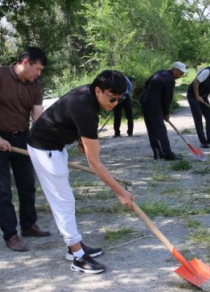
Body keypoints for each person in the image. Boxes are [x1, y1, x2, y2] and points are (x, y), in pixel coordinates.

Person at [27, 70, 135, 274]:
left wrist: (78, 139)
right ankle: (77, 257)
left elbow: (66, 117)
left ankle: (73, 247)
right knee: (63, 202)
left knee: (66, 200)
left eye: (120, 99)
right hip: (45, 150)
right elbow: (94, 162)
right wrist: (121, 192)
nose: (115, 103)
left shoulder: (88, 95)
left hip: (55, 146)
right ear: (98, 91)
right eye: (113, 98)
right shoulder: (85, 108)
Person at [0, 46, 51, 252]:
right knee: (3, 190)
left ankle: (28, 226)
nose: (38, 74)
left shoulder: (35, 85)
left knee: (27, 185)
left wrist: (39, 142)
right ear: (25, 62)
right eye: (37, 69)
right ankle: (11, 235)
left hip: (22, 140)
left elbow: (37, 116)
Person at [140, 62, 187, 160]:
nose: (181, 75)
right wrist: (166, 113)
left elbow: (146, 83)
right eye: (180, 73)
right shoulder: (170, 80)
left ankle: (157, 153)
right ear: (175, 70)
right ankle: (168, 154)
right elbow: (167, 98)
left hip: (145, 102)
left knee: (151, 129)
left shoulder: (160, 72)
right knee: (161, 130)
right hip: (154, 106)